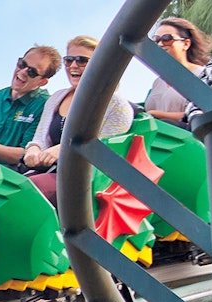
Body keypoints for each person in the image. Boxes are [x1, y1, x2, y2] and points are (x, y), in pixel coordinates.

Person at [23, 36, 135, 202]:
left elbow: (106, 150)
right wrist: (34, 149)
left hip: (84, 181)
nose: (73, 66)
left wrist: (64, 150)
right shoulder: (56, 98)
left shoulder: (116, 105)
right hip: (48, 171)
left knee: (31, 190)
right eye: (69, 60)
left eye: (82, 60)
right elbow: (40, 138)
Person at [0, 46, 62, 166]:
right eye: (22, 64)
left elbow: (26, 154)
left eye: (32, 72)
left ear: (42, 82)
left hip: (12, 173)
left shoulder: (45, 106)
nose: (23, 72)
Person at [144, 18, 211, 126]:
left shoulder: (203, 74)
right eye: (157, 40)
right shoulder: (158, 82)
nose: (160, 44)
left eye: (167, 38)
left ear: (186, 44)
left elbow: (206, 115)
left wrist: (157, 115)